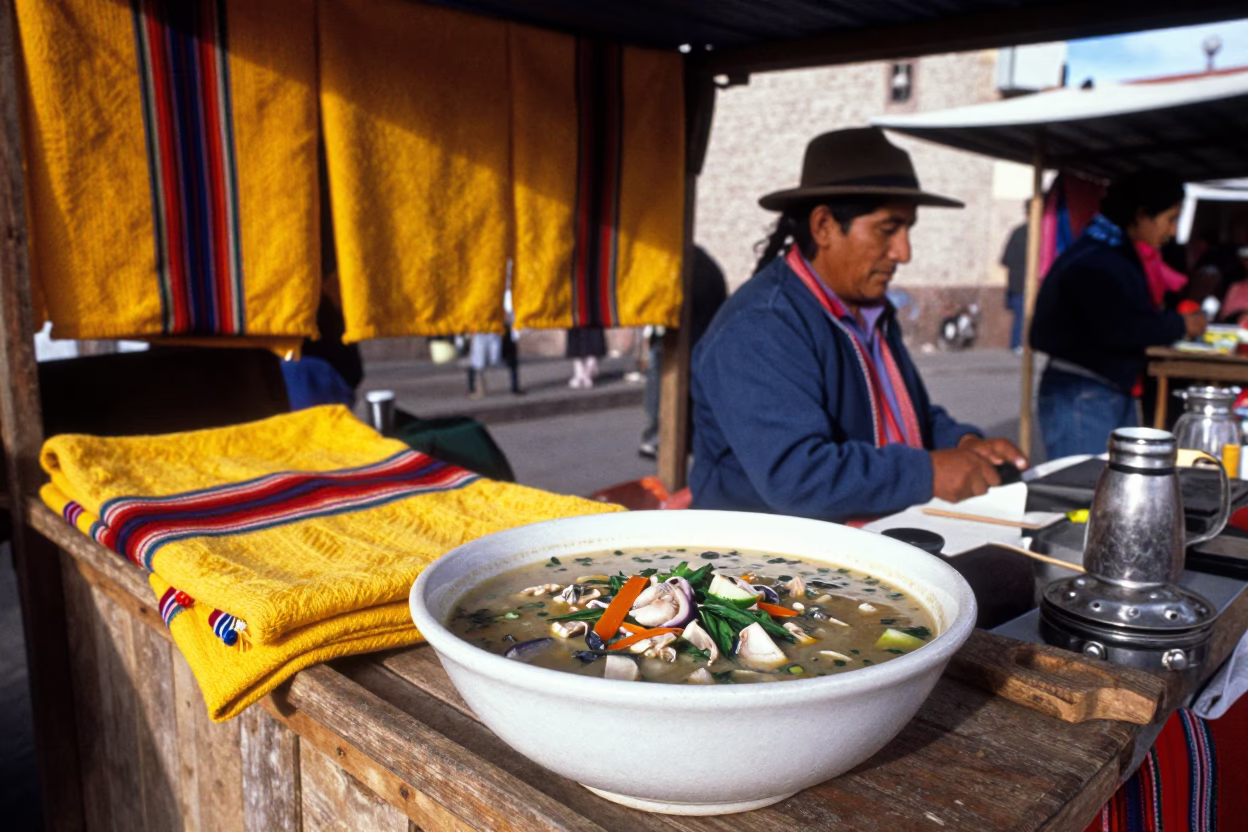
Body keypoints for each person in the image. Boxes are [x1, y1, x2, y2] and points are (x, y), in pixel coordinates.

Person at [690, 127, 1027, 521]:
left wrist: (961, 442)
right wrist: (929, 472)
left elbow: (902, 414)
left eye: (907, 230)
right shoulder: (761, 326)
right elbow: (797, 476)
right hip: (763, 562)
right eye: (888, 230)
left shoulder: (869, 311)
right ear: (824, 227)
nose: (903, 252)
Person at [1030, 169, 1208, 459]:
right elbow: (1122, 327)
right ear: (1141, 215)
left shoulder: (1109, 251)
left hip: (1102, 390)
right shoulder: (1098, 261)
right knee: (1086, 492)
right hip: (1082, 395)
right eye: (1170, 219)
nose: (1173, 231)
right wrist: (1180, 324)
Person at [639, 246, 728, 459]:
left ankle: (660, 435)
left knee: (665, 383)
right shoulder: (697, 261)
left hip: (683, 339)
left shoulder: (682, 263)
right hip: (698, 337)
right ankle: (674, 436)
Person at [1000, 211, 1029, 353]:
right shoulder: (1029, 233)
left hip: (1016, 282)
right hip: (1022, 283)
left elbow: (1005, 259)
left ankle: (1017, 343)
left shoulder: (1018, 232)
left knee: (1020, 314)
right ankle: (1017, 343)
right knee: (1021, 314)